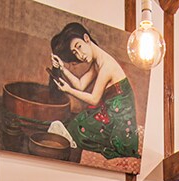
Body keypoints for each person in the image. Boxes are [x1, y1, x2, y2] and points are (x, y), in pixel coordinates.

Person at [47, 22, 139, 160]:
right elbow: (80, 85)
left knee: (80, 128)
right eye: (75, 52)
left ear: (86, 38)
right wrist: (62, 68)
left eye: (79, 47)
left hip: (120, 118)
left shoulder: (107, 66)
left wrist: (68, 90)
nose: (80, 55)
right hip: (111, 110)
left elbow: (94, 99)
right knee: (78, 121)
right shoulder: (98, 62)